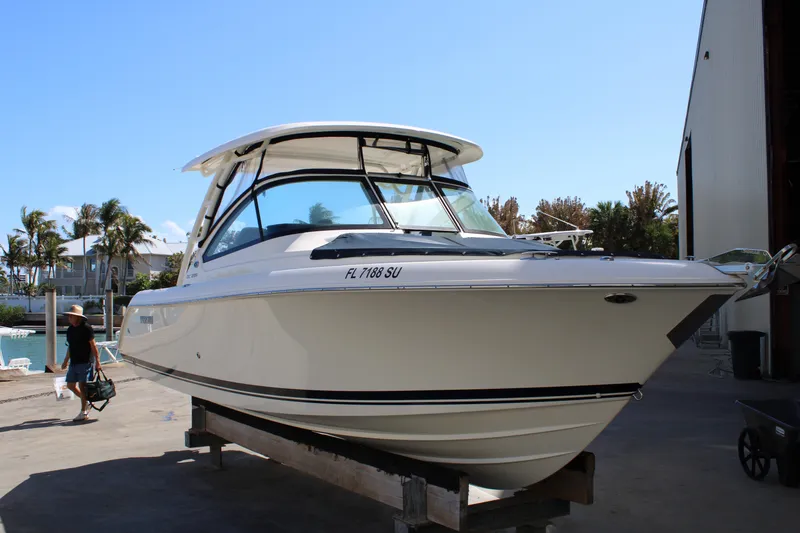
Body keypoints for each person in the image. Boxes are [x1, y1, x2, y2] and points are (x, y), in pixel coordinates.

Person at [60, 304, 101, 422]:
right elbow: (70, 347)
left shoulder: (86, 328)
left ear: (78, 317)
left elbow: (93, 346)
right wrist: (65, 361)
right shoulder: (70, 330)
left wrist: (98, 362)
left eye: (71, 316)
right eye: (69, 316)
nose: (69, 318)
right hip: (74, 362)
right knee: (70, 385)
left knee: (83, 387)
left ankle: (83, 412)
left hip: (85, 362)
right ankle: (87, 402)